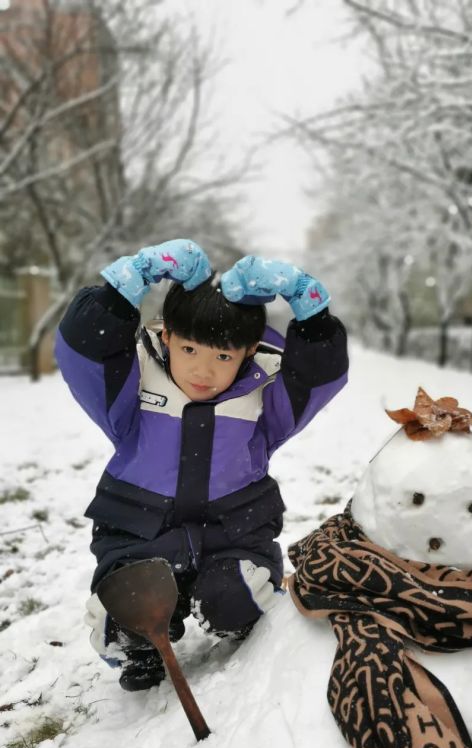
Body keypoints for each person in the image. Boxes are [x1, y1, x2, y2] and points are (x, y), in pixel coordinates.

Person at [55, 239, 348, 691]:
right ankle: (141, 649)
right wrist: (134, 275)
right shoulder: (131, 386)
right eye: (189, 349)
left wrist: (308, 304)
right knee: (129, 612)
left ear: (249, 352)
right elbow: (84, 350)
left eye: (224, 357)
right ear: (167, 336)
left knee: (234, 599)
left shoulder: (262, 393)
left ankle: (232, 617)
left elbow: (319, 376)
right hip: (140, 533)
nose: (203, 372)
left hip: (233, 533)